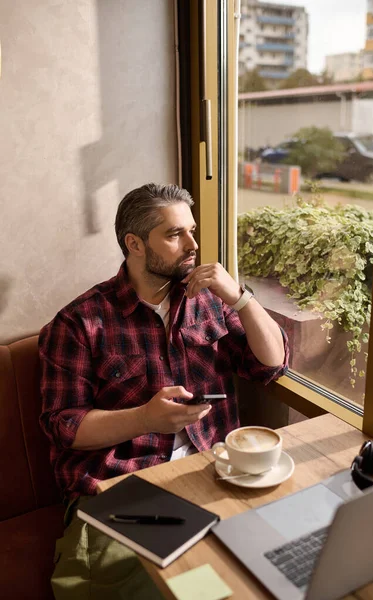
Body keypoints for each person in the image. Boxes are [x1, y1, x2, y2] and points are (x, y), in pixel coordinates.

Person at [39, 182, 288, 599]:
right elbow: (64, 426)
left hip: (215, 473)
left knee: (267, 575)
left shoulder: (209, 301)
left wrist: (240, 297)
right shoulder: (80, 323)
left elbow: (272, 364)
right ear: (134, 243)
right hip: (124, 488)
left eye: (192, 230)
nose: (193, 244)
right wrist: (145, 419)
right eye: (175, 234)